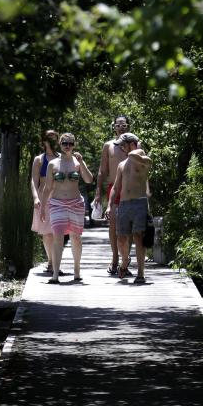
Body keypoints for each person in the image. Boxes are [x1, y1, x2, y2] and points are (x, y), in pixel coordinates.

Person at [40, 133, 94, 284]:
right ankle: (55, 274)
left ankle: (77, 271)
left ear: (74, 145)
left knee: (76, 237)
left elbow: (89, 180)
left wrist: (82, 162)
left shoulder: (77, 162)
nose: (67, 146)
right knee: (58, 237)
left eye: (70, 143)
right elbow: (47, 187)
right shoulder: (53, 164)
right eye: (65, 143)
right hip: (57, 203)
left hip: (76, 203)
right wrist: (43, 207)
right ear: (60, 144)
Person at [113, 132, 152, 284]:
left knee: (138, 237)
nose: (121, 148)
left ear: (132, 144)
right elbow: (116, 187)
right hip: (123, 204)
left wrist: (135, 150)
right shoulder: (121, 165)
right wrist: (111, 206)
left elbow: (141, 159)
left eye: (123, 145)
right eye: (120, 146)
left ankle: (140, 273)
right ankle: (124, 261)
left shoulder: (142, 160)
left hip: (139, 203)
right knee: (121, 238)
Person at [95, 115, 130, 275]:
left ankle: (125, 262)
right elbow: (102, 171)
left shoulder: (135, 144)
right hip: (112, 188)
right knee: (114, 225)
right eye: (118, 125)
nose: (121, 127)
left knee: (128, 227)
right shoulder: (108, 145)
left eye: (124, 125)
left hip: (131, 189)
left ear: (128, 126)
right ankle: (115, 259)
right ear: (114, 127)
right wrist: (98, 193)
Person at [30, 129, 59, 273]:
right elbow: (34, 181)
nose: (52, 140)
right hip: (44, 196)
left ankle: (55, 262)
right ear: (44, 141)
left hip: (60, 195)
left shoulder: (63, 157)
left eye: (55, 138)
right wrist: (35, 197)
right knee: (47, 232)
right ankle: (51, 262)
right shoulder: (39, 159)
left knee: (57, 231)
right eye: (49, 138)